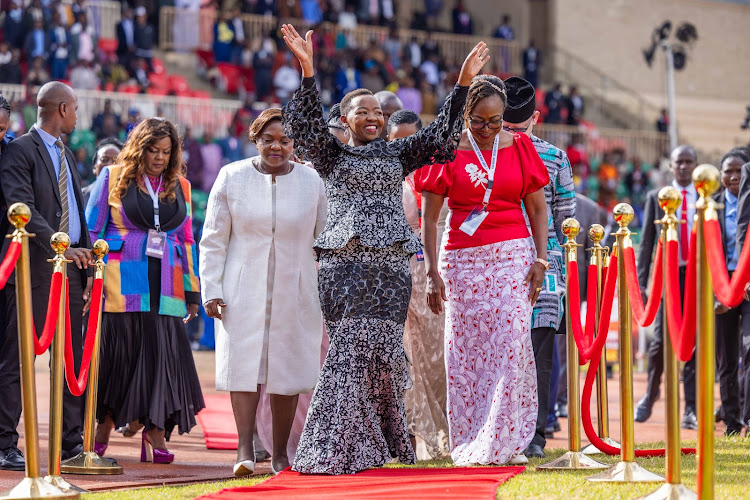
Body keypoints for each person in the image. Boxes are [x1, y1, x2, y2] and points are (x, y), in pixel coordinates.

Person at [280, 24, 490, 474]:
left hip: (392, 270)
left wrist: (463, 84)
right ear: (346, 119)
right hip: (344, 268)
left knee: (381, 353)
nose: (373, 116)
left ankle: (379, 446)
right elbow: (306, 126)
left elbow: (442, 137)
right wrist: (307, 70)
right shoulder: (331, 155)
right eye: (363, 111)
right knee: (349, 350)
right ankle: (332, 448)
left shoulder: (399, 155)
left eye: (378, 110)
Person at [421, 75, 549, 466]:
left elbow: (539, 208)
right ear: (465, 114)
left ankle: (505, 439)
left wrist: (541, 259)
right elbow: (429, 220)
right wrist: (431, 271)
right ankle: (472, 438)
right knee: (467, 353)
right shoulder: (445, 150)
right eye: (479, 121)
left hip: (513, 256)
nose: (489, 129)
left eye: (496, 121)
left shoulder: (521, 146)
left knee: (511, 346)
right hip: (462, 260)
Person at [199, 108, 327, 476]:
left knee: (286, 366)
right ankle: (244, 448)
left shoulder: (311, 182)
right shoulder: (232, 177)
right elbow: (213, 241)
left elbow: (324, 239)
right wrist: (212, 288)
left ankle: (281, 453)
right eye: (268, 139)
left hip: (296, 288)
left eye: (285, 140)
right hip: (242, 288)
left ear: (294, 143)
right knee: (244, 365)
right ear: (255, 140)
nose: (276, 146)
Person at [86, 117, 204, 464]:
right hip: (121, 282)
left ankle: (154, 432)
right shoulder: (112, 177)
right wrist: (94, 279)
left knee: (160, 358)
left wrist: (192, 290)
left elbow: (186, 238)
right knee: (118, 358)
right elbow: (93, 232)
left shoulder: (180, 185)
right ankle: (103, 427)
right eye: (153, 150)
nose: (160, 158)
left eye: (166, 152)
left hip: (166, 283)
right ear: (139, 148)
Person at [0, 82, 93, 470]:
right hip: (32, 271)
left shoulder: (66, 154)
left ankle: (70, 444)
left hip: (71, 270)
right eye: (75, 109)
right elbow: (20, 206)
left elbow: (74, 208)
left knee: (70, 360)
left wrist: (82, 259)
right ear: (63, 108)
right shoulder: (19, 150)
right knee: (16, 359)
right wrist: (60, 247)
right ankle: (4, 444)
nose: (77, 116)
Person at [500, 76, 575, 458]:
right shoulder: (550, 156)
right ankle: (521, 434)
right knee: (522, 354)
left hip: (521, 266)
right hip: (519, 264)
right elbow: (566, 222)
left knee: (520, 353)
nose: (512, 132)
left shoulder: (552, 157)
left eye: (513, 125)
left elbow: (565, 221)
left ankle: (524, 435)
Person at [387, 109, 451, 460]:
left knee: (435, 357)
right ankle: (408, 440)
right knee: (405, 357)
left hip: (434, 274)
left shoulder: (440, 171)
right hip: (396, 278)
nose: (404, 147)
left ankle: (441, 433)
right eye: (396, 141)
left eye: (410, 140)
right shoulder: (383, 176)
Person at [635, 145, 698, 429]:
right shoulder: (656, 197)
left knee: (693, 343)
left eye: (688, 162)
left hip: (697, 278)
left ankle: (692, 408)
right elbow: (647, 242)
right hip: (666, 278)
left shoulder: (707, 198)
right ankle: (651, 393)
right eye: (679, 162)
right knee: (660, 342)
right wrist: (642, 283)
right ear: (670, 166)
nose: (683, 167)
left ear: (696, 165)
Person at [714, 148, 750, 435]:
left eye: (740, 171)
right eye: (729, 171)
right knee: (726, 357)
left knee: (749, 349)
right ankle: (731, 421)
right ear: (720, 174)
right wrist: (716, 292)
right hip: (721, 284)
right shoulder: (710, 205)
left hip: (749, 283)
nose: (734, 176)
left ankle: (748, 420)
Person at [82, 137, 123, 203]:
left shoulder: (131, 198)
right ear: (94, 167)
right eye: (104, 160)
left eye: (116, 161)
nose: (110, 165)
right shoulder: (80, 197)